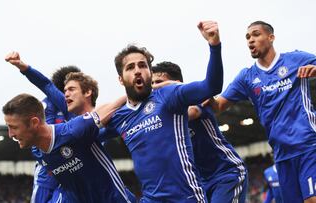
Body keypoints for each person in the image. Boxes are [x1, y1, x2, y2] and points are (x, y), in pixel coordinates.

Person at [104, 20, 223, 202]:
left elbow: (211, 86)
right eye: (130, 67)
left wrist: (214, 45)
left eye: (143, 65)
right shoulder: (119, 117)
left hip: (187, 198)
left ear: (150, 73)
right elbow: (87, 133)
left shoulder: (168, 96)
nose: (138, 71)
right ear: (121, 79)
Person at [208, 21, 316, 203]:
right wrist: (203, 92)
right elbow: (217, 106)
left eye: (256, 34)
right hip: (281, 155)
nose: (250, 40)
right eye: (248, 37)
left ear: (271, 37)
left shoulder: (296, 60)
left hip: (308, 146)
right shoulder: (247, 77)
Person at [6, 52, 137, 203]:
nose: (66, 94)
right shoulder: (64, 117)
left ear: (87, 92)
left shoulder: (100, 120)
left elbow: (114, 124)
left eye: (71, 89)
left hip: (93, 180)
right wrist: (25, 68)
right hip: (57, 174)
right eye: (65, 90)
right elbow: (46, 86)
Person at [151, 61, 248, 203]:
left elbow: (192, 111)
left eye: (159, 82)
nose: (155, 88)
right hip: (199, 183)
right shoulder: (161, 116)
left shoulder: (196, 99)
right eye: (152, 83)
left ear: (175, 84)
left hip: (226, 173)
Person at [31, 66, 80, 203]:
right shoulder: (45, 106)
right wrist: (49, 163)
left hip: (71, 167)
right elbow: (37, 141)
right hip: (47, 171)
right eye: (68, 88)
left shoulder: (76, 107)